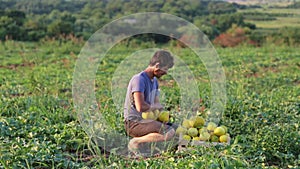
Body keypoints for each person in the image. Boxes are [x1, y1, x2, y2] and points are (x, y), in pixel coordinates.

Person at [124, 50, 176, 154]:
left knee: (176, 128)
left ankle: (147, 143)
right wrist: (157, 106)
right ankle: (136, 142)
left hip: (146, 120)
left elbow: (156, 105)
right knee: (169, 131)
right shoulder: (139, 79)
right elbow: (141, 107)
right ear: (157, 66)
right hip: (134, 123)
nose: (166, 72)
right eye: (165, 69)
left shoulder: (155, 81)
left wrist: (162, 115)